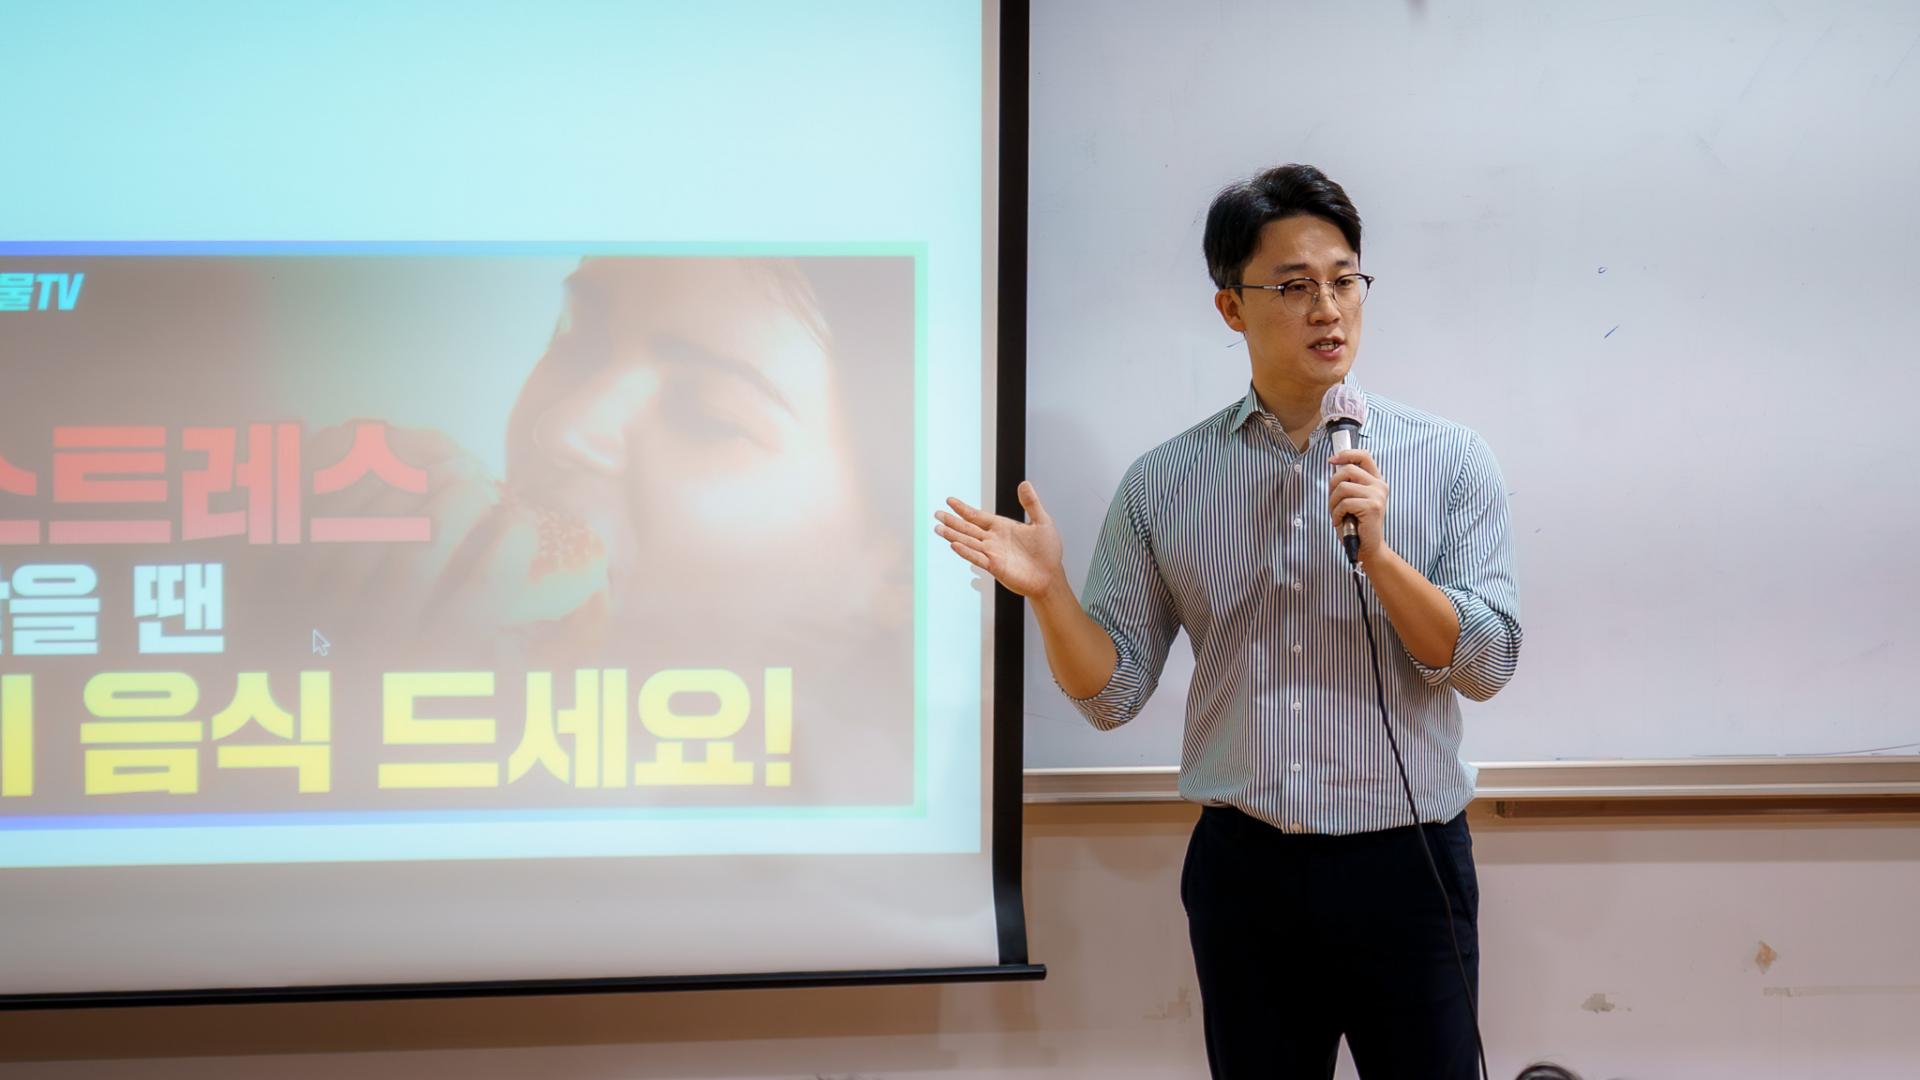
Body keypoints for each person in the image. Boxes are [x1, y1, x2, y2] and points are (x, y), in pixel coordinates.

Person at [935, 164, 1522, 1078]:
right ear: (1231, 308)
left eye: (1344, 280)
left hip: (1410, 867)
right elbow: (1111, 695)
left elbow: (1486, 665)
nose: (1327, 308)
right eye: (1294, 286)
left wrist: (1380, 556)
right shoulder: (1164, 481)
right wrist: (1048, 593)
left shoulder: (1450, 459)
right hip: (1249, 875)